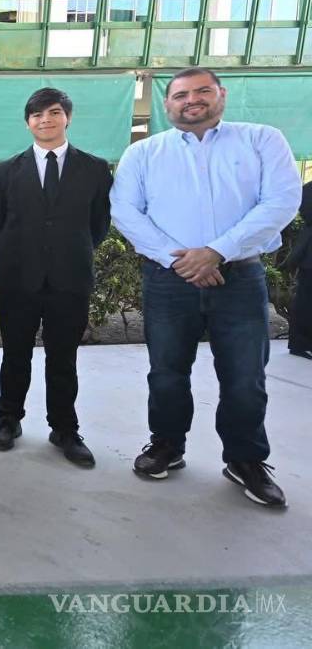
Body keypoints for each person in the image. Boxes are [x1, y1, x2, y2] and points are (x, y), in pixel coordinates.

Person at [111, 67, 302, 507]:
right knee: (166, 371)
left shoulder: (261, 140)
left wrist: (215, 251)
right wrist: (179, 259)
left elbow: (280, 201)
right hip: (168, 278)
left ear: (221, 95)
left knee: (244, 376)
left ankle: (245, 459)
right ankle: (167, 445)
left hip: (239, 276)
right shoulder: (144, 153)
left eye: (201, 92)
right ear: (167, 104)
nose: (191, 100)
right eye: (180, 95)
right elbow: (125, 211)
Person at [0, 88, 112, 468]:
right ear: (28, 122)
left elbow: (98, 225)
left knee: (63, 358)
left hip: (69, 279)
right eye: (37, 115)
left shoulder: (94, 168)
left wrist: (64, 250)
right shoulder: (6, 171)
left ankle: (64, 428)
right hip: (18, 278)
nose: (46, 120)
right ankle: (8, 419)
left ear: (67, 118)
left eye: (54, 113)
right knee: (15, 355)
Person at [288, 180, 312, 360]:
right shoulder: (308, 189)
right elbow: (304, 210)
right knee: (305, 300)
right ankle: (299, 343)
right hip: (310, 256)